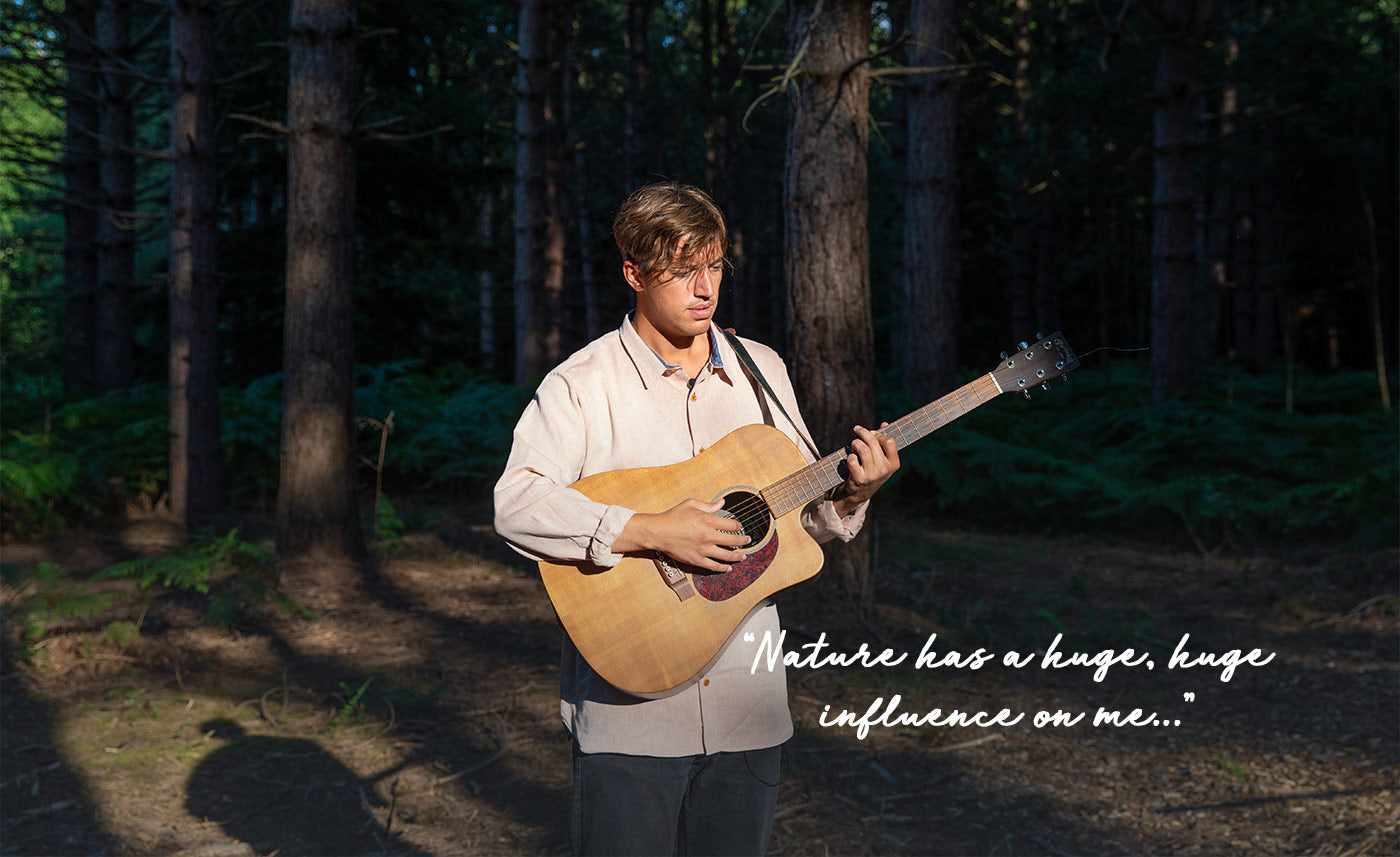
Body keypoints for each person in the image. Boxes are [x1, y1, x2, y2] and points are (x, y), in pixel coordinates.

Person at [493, 181, 898, 856]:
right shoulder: (580, 384)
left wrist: (853, 496)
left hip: (749, 709)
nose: (703, 285)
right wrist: (648, 528)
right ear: (634, 272)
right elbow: (517, 504)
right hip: (632, 714)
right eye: (682, 268)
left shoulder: (760, 370)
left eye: (713, 265)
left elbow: (799, 519)